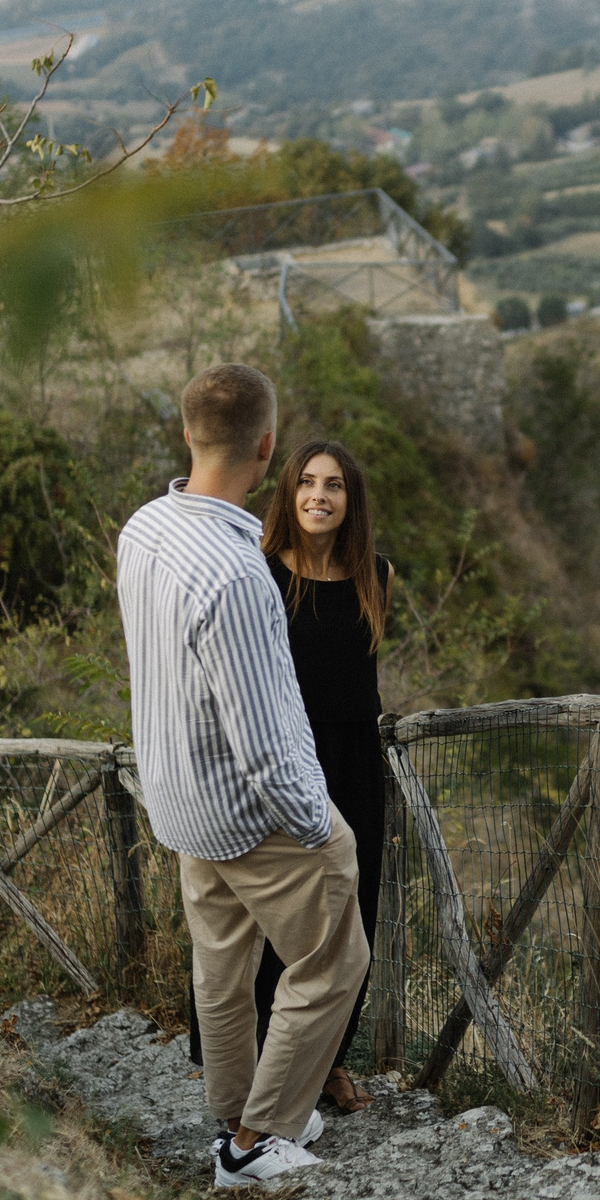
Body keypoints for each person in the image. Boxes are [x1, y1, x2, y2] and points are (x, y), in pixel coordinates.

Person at [117, 362, 368, 1189]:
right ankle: (257, 1140)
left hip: (181, 799)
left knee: (222, 966)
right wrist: (319, 823)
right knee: (334, 960)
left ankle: (234, 1115)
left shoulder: (143, 528)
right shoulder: (237, 573)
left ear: (187, 434)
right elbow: (262, 739)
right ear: (267, 447)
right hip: (250, 810)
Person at [185, 438, 391, 1115]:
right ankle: (251, 1071)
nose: (318, 496)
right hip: (280, 762)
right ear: (287, 491)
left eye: (333, 485)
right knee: (271, 920)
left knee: (350, 916)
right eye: (306, 482)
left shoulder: (378, 575)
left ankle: (326, 1064)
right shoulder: (259, 571)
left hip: (355, 761)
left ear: (351, 501)